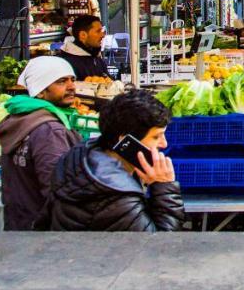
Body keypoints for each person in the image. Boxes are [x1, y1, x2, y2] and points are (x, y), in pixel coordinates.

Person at [43, 89, 185, 232]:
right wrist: (164, 187)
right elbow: (159, 245)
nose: (164, 144)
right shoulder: (116, 197)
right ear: (126, 142)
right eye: (156, 137)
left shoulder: (83, 156)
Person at [0, 56, 81, 231]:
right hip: (42, 231)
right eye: (61, 81)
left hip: (19, 223)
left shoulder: (21, 117)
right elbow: (57, 188)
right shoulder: (49, 130)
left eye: (72, 79)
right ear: (40, 91)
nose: (71, 86)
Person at [57, 15, 110, 80]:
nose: (102, 35)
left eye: (101, 31)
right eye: (98, 31)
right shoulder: (67, 63)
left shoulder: (95, 56)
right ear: (83, 35)